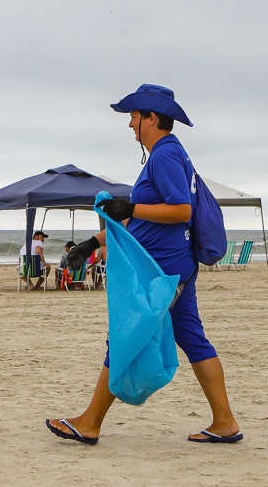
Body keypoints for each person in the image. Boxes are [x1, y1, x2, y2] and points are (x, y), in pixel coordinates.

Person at [46, 84, 241, 445]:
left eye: (134, 117)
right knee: (194, 341)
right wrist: (92, 243)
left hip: (162, 273)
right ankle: (225, 421)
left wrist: (131, 208)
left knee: (125, 333)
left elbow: (181, 210)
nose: (130, 124)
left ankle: (90, 422)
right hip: (171, 269)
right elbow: (142, 223)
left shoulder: (165, 155)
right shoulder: (169, 155)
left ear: (151, 118)